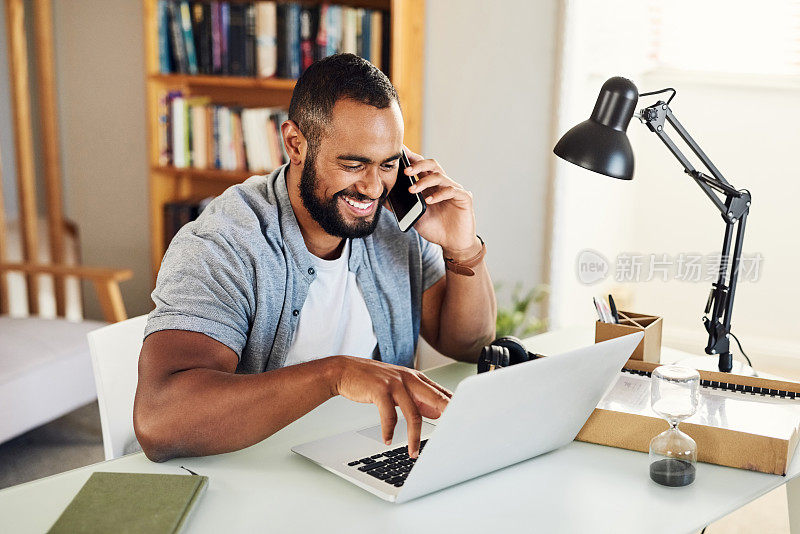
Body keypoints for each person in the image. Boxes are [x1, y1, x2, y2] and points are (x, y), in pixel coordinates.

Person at [133, 54, 496, 463]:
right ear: (296, 144)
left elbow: (469, 344)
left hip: (368, 454)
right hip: (255, 472)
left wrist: (461, 249)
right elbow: (158, 422)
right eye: (353, 163)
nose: (373, 188)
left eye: (388, 164)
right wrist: (335, 375)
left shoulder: (397, 223)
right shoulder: (223, 244)